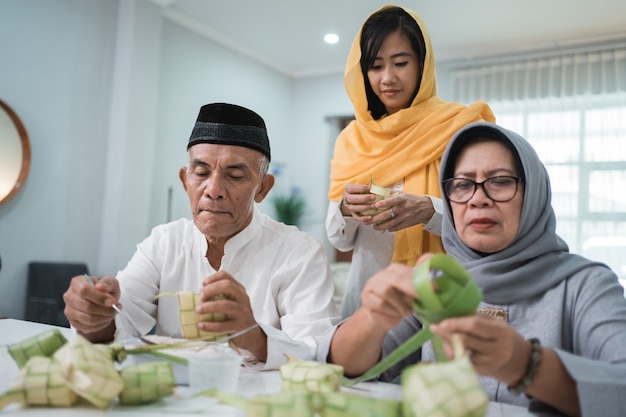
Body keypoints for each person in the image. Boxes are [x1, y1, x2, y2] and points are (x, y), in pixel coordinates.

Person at [319, 121, 626, 416]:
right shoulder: (438, 280)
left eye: (501, 181)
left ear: (533, 194)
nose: (478, 199)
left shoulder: (586, 285)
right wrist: (372, 317)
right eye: (463, 185)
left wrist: (527, 365)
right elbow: (345, 369)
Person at [64, 102, 339, 370]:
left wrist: (253, 335)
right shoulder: (164, 243)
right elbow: (120, 323)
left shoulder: (299, 253)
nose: (213, 189)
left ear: (263, 188)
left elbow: (316, 353)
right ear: (186, 181)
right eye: (201, 172)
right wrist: (93, 314)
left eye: (234, 175)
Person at [327, 5, 495, 319]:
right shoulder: (351, 139)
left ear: (423, 63)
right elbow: (339, 239)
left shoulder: (458, 128)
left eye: (400, 62)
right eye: (375, 66)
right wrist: (347, 209)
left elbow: (486, 215)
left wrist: (429, 209)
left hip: (440, 297)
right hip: (368, 300)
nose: (387, 78)